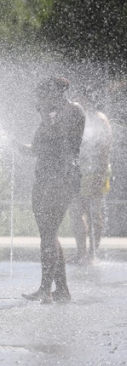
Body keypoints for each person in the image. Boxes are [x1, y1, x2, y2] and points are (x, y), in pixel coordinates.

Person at [22, 77, 85, 303]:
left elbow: (65, 141)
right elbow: (38, 148)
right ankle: (61, 290)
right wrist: (19, 147)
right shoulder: (51, 117)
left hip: (62, 179)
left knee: (48, 234)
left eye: (42, 96)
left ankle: (45, 289)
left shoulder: (73, 112)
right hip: (45, 178)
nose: (40, 101)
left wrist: (45, 115)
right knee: (48, 233)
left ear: (55, 93)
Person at [69, 86, 112, 264]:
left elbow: (105, 147)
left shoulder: (99, 119)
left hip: (96, 171)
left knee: (94, 212)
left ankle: (93, 253)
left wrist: (101, 174)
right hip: (78, 171)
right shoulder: (77, 118)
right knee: (75, 212)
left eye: (81, 97)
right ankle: (81, 252)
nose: (77, 100)